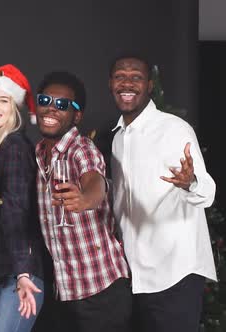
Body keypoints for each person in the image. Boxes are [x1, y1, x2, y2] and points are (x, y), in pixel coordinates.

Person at [109, 55, 217, 332]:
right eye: (121, 76)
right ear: (111, 83)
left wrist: (190, 182)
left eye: (136, 77)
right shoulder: (119, 138)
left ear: (150, 85)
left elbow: (207, 192)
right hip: (134, 274)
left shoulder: (173, 129)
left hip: (174, 272)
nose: (127, 83)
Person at [34, 71, 131, 332]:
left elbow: (94, 181)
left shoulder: (82, 149)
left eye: (62, 104)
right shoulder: (40, 152)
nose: (51, 108)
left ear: (77, 116)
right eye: (45, 100)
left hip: (102, 290)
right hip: (66, 293)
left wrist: (85, 198)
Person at [0, 64, 45, 332]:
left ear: (15, 108)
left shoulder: (13, 146)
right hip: (0, 268)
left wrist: (23, 272)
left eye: (3, 101)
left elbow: (16, 211)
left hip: (18, 271)